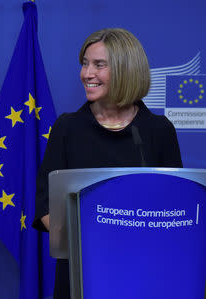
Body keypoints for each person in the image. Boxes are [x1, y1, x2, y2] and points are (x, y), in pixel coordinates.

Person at [33, 28, 183, 298]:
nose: (87, 74)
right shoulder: (67, 128)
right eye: (85, 63)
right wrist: (93, 242)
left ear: (126, 70)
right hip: (80, 272)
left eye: (99, 65)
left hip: (145, 271)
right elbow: (46, 208)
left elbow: (176, 207)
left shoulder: (159, 130)